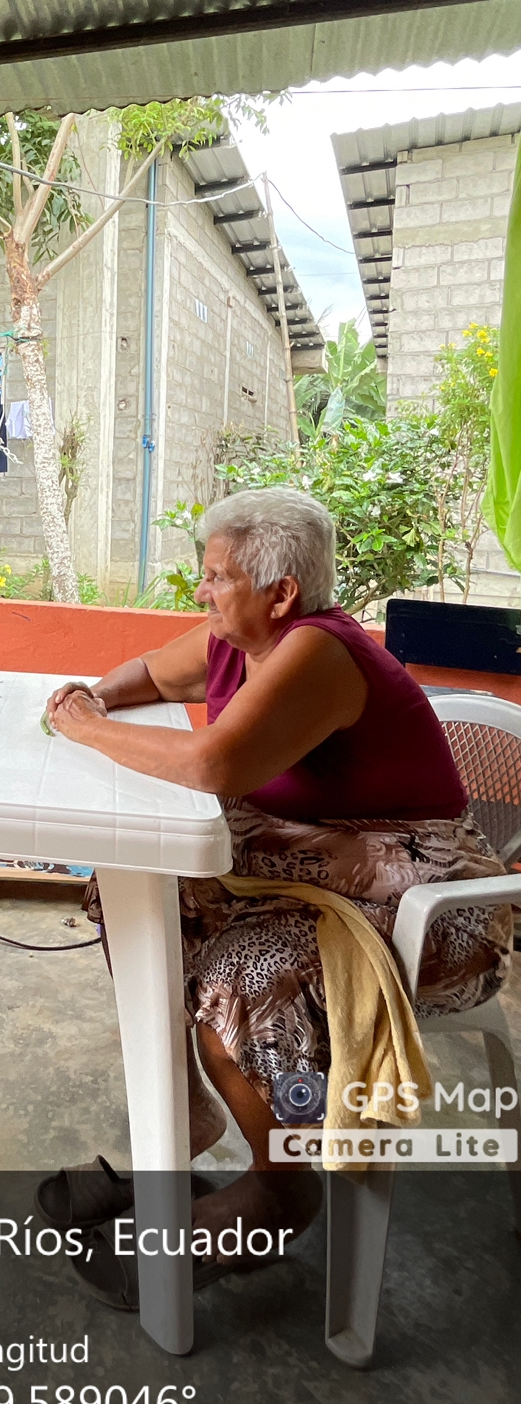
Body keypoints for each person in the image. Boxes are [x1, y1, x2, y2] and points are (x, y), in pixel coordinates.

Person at [45, 486, 511, 1274]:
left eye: (217, 576)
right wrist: (97, 695)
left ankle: (280, 1188)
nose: (201, 591)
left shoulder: (317, 650)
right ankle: (184, 1116)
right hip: (315, 863)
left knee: (240, 977)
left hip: (428, 903)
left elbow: (210, 765)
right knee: (133, 892)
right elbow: (154, 675)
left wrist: (86, 728)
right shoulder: (239, 636)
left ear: (281, 592)